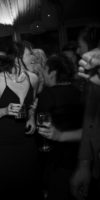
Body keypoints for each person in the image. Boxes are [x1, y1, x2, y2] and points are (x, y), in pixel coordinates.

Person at [0, 41, 40, 199]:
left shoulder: (34, 79)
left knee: (30, 181)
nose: (33, 57)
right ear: (17, 58)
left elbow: (33, 104)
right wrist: (4, 110)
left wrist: (31, 118)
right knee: (6, 185)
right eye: (29, 54)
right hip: (2, 142)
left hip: (25, 139)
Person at [36, 54, 84, 200]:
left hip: (57, 157)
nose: (43, 74)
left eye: (45, 69)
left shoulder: (47, 94)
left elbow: (42, 125)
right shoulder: (79, 91)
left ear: (53, 72)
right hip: (80, 154)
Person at [71, 26, 100, 200]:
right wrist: (84, 165)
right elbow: (90, 122)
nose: (77, 50)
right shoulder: (92, 78)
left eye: (80, 45)